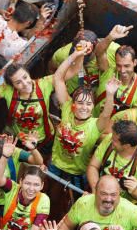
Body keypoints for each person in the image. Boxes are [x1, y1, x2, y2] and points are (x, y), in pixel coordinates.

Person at [49, 44, 118, 193]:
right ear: (73, 104)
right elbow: (58, 79)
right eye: (80, 103)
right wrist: (76, 55)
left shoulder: (95, 125)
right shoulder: (67, 109)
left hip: (79, 173)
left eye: (88, 104)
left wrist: (110, 94)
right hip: (55, 164)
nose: (83, 107)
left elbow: (106, 114)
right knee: (48, 192)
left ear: (93, 107)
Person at [0, 140, 51, 230]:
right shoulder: (12, 189)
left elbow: (36, 229)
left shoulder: (44, 200)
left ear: (42, 186)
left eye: (36, 185)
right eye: (27, 183)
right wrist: (4, 157)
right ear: (20, 182)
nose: (31, 188)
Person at [87, 119, 137, 206]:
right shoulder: (109, 140)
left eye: (114, 140)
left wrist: (134, 191)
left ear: (126, 145)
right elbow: (93, 166)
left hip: (126, 206)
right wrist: (96, 190)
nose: (110, 139)